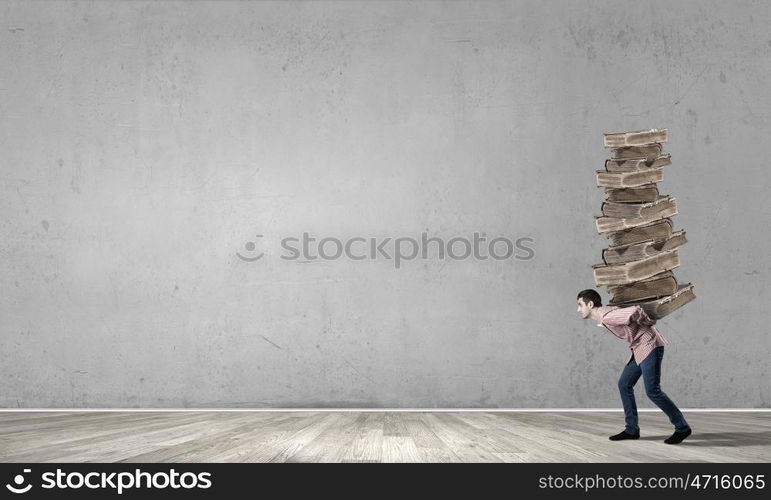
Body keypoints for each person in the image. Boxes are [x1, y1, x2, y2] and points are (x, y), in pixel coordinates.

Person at [576, 289, 692, 444]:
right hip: (639, 348)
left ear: (590, 304)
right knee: (624, 384)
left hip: (649, 345)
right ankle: (631, 430)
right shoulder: (603, 317)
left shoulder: (606, 316)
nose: (578, 309)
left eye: (580, 305)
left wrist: (648, 322)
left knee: (653, 391)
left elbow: (635, 311)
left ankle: (682, 427)